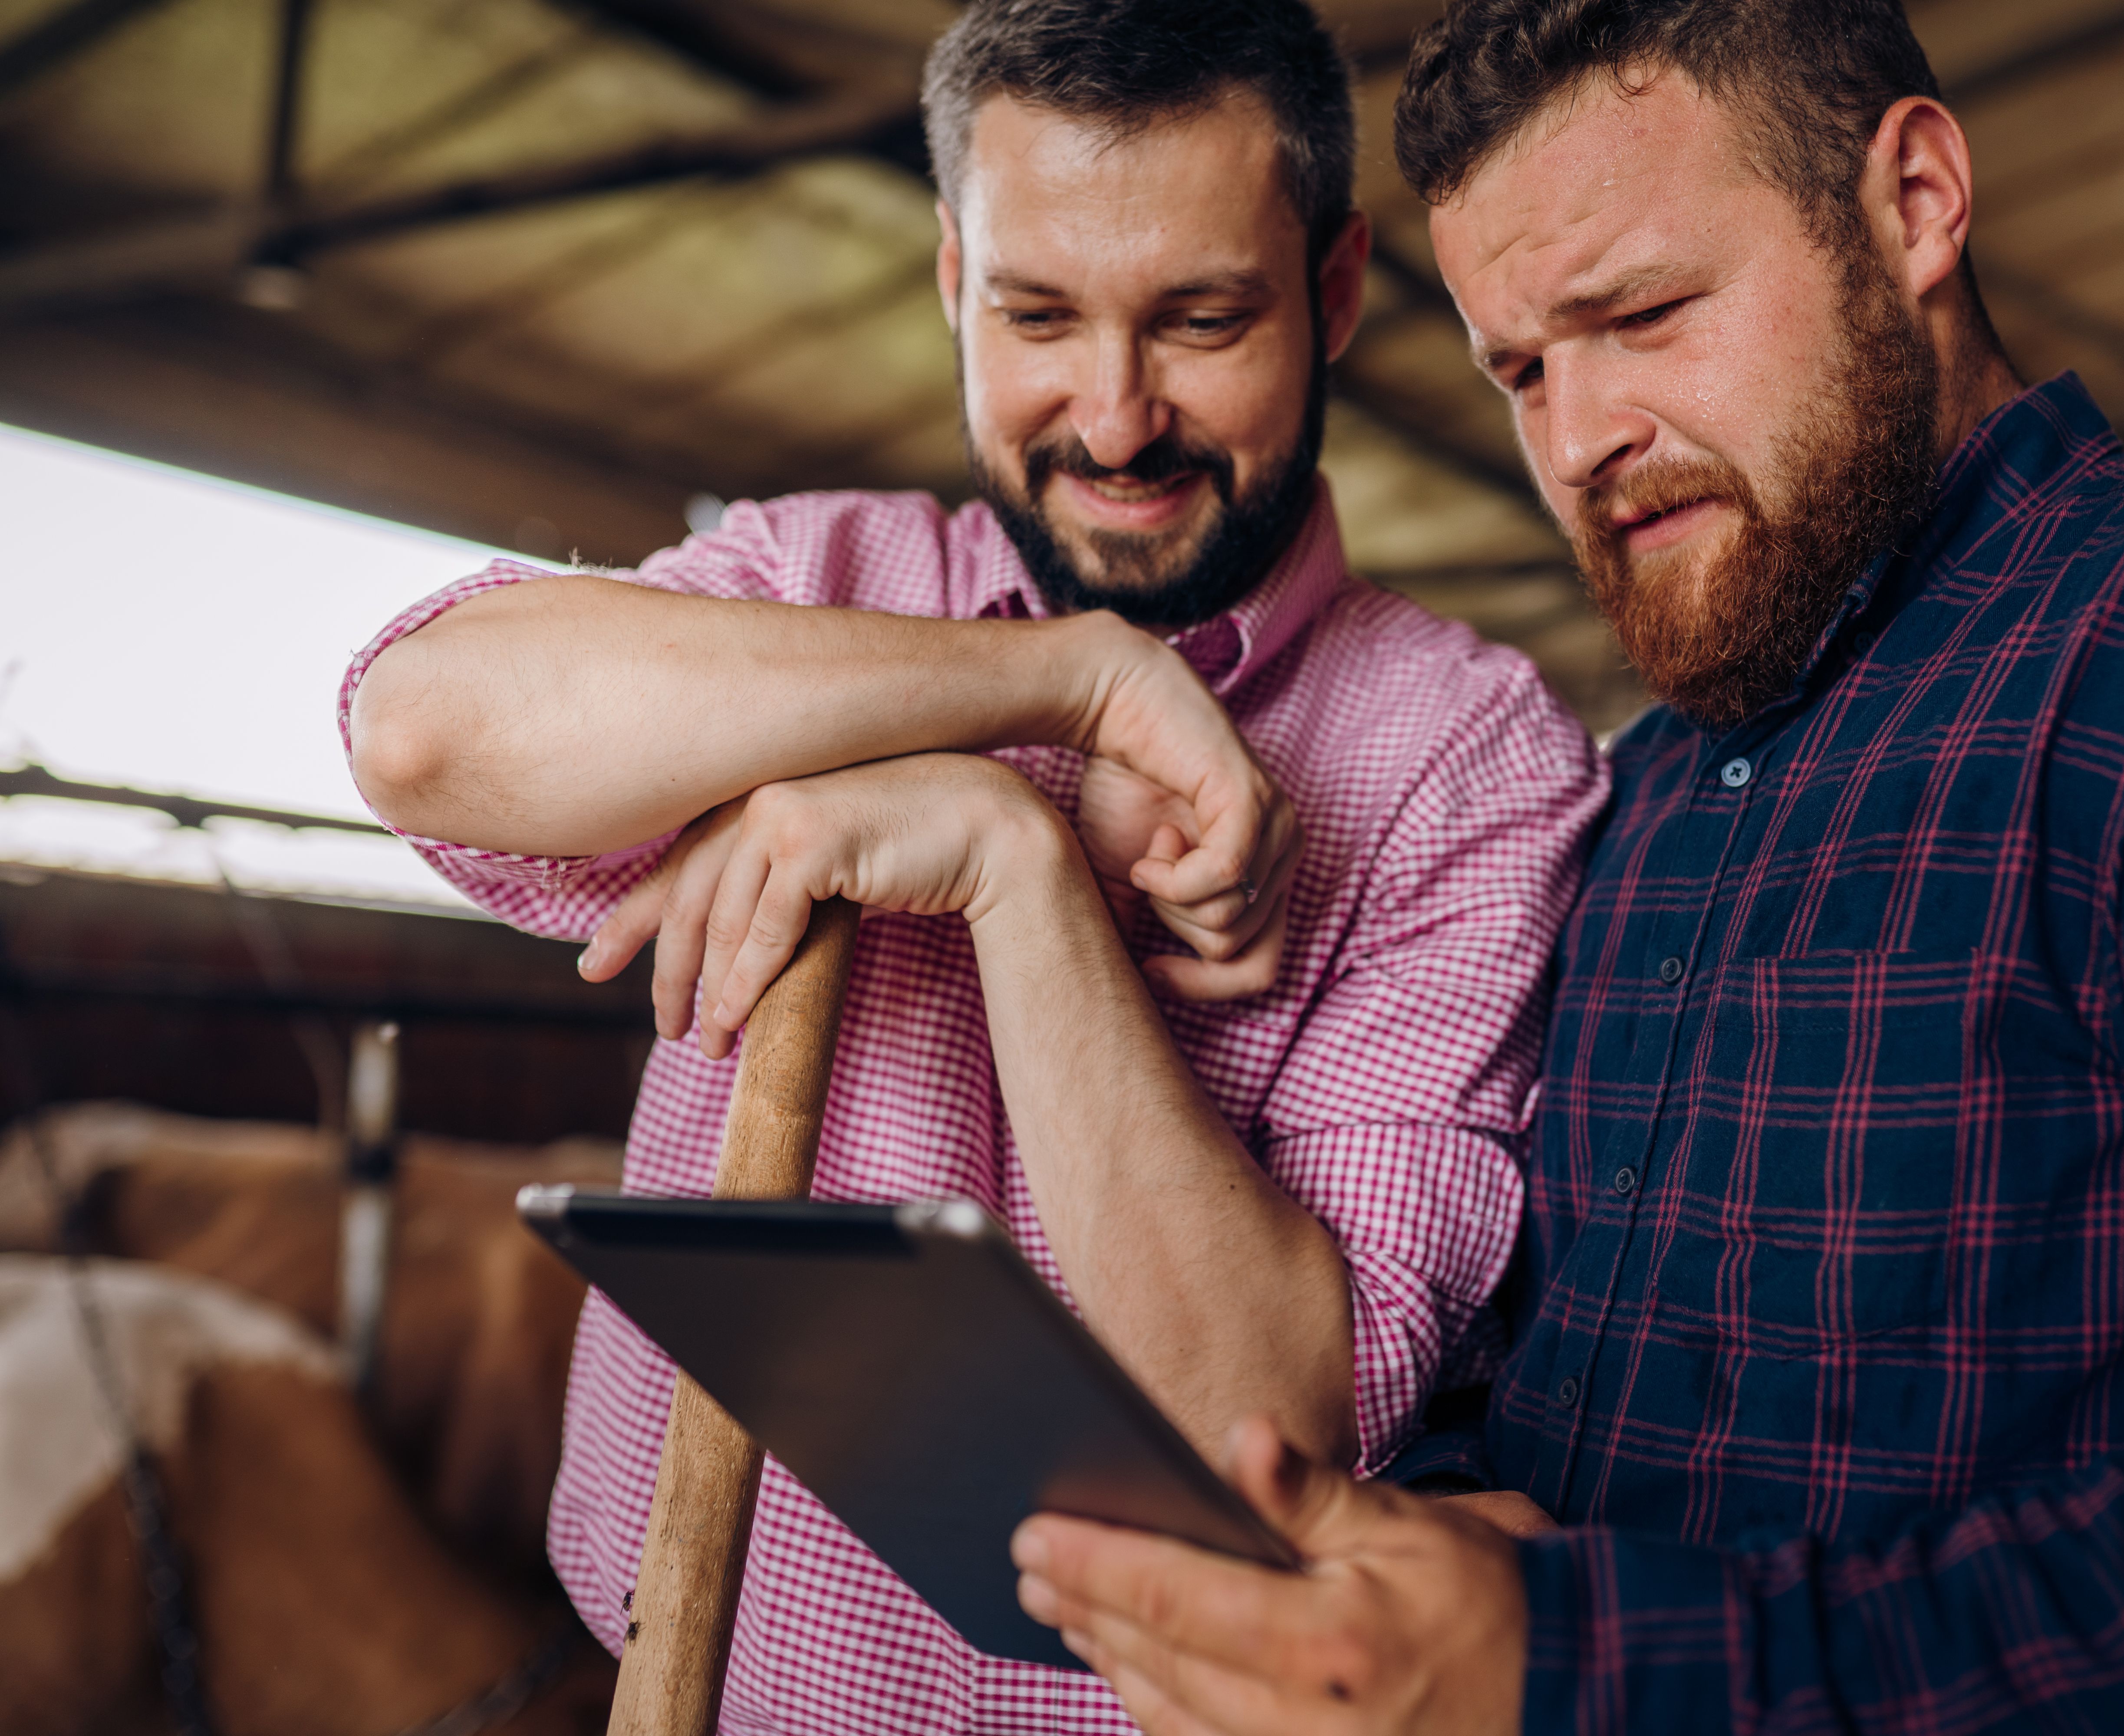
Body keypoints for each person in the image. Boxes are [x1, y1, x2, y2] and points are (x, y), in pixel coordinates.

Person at [1007, 2, 2124, 1729]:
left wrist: (1579, 1660)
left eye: (1643, 316)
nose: (1574, 440)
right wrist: (1410, 1559)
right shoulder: (1632, 807)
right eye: (1523, 369)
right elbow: (1549, 1390)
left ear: (1915, 201)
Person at [340, 3, 1607, 1731]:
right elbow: (425, 730)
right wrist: (1056, 686)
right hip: (674, 1681)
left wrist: (1013, 870)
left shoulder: (1475, 759)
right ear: (952, 281)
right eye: (1036, 314)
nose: (1116, 413)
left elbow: (1279, 1426)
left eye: (1202, 318)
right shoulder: (810, 583)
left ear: (1329, 291)